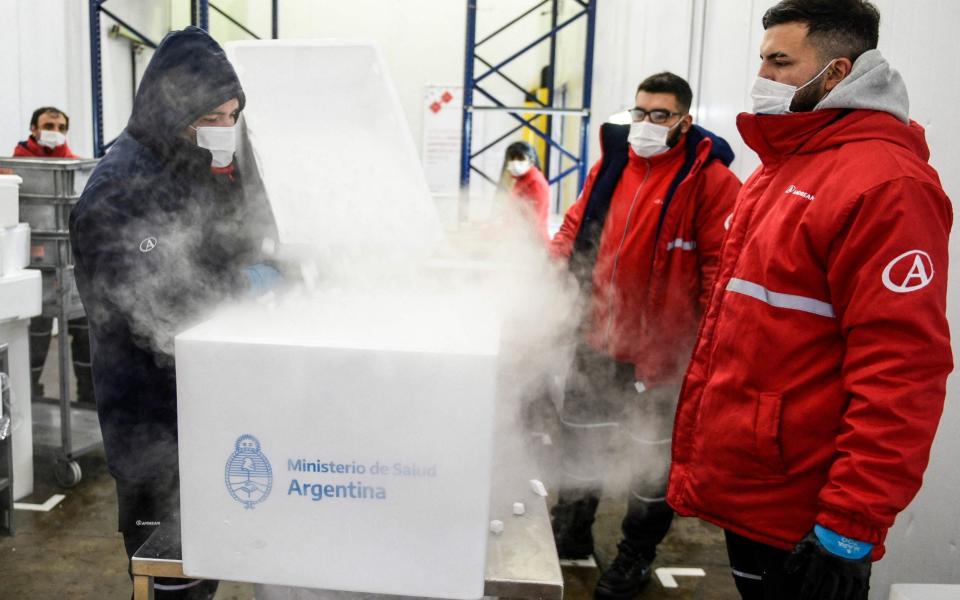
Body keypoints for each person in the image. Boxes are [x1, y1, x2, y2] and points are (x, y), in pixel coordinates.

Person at [666, 2, 953, 599]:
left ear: (836, 72)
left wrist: (851, 522)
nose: (762, 77)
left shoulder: (885, 185)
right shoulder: (785, 164)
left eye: (779, 61)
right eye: (761, 60)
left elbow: (901, 370)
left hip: (805, 510)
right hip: (757, 483)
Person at [70, 27, 278, 599]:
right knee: (172, 578)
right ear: (174, 111)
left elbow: (246, 235)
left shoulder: (202, 167)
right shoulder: (115, 193)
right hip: (151, 423)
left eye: (233, 114)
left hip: (213, 413)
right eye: (213, 115)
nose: (225, 127)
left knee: (206, 560)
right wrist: (243, 285)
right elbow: (153, 310)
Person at [548, 72, 741, 599]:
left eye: (661, 115)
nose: (647, 124)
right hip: (597, 338)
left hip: (661, 357)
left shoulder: (710, 181)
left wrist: (704, 353)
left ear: (685, 120)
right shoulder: (611, 166)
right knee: (580, 436)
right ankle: (572, 528)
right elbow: (574, 228)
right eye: (640, 113)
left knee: (650, 465)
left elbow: (721, 273)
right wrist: (545, 278)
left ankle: (634, 555)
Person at [10, 107, 93, 404]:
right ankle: (26, 400)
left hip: (71, 264)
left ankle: (89, 398)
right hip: (33, 266)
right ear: (33, 128)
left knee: (84, 333)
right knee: (36, 335)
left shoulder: (75, 167)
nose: (54, 131)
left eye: (60, 126)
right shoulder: (14, 168)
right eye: (48, 125)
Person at [504, 140, 550, 241]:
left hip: (533, 242)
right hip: (519, 239)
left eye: (520, 159)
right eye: (512, 159)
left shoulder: (536, 183)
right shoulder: (521, 179)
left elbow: (534, 220)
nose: (515, 163)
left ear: (531, 161)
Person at [13, 106, 80, 158]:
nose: (56, 131)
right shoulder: (13, 166)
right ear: (33, 130)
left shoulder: (78, 168)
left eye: (61, 128)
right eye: (49, 127)